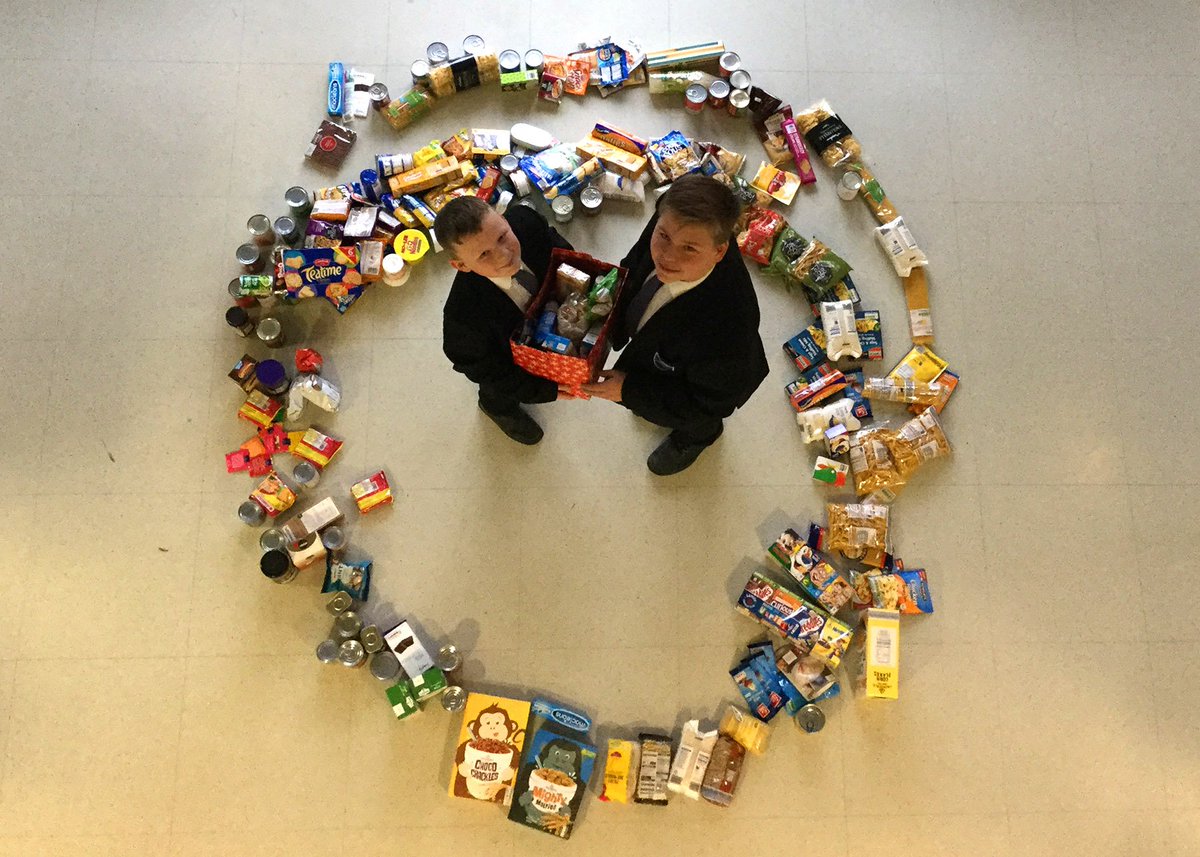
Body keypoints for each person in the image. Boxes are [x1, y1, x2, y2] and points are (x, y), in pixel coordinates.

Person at [582, 175, 769, 475]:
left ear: (719, 251)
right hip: (660, 355)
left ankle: (698, 439)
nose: (666, 257)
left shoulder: (729, 329)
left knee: (699, 421)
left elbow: (707, 404)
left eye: (689, 249)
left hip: (705, 387)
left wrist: (630, 392)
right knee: (654, 385)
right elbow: (636, 260)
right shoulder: (673, 221)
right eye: (663, 236)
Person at [435, 197, 573, 445]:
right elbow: (489, 371)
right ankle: (497, 410)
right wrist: (542, 390)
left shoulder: (525, 220)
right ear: (461, 265)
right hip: (504, 356)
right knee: (497, 392)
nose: (504, 255)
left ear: (504, 219)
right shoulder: (463, 319)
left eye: (502, 237)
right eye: (484, 254)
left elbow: (556, 246)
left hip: (546, 313)